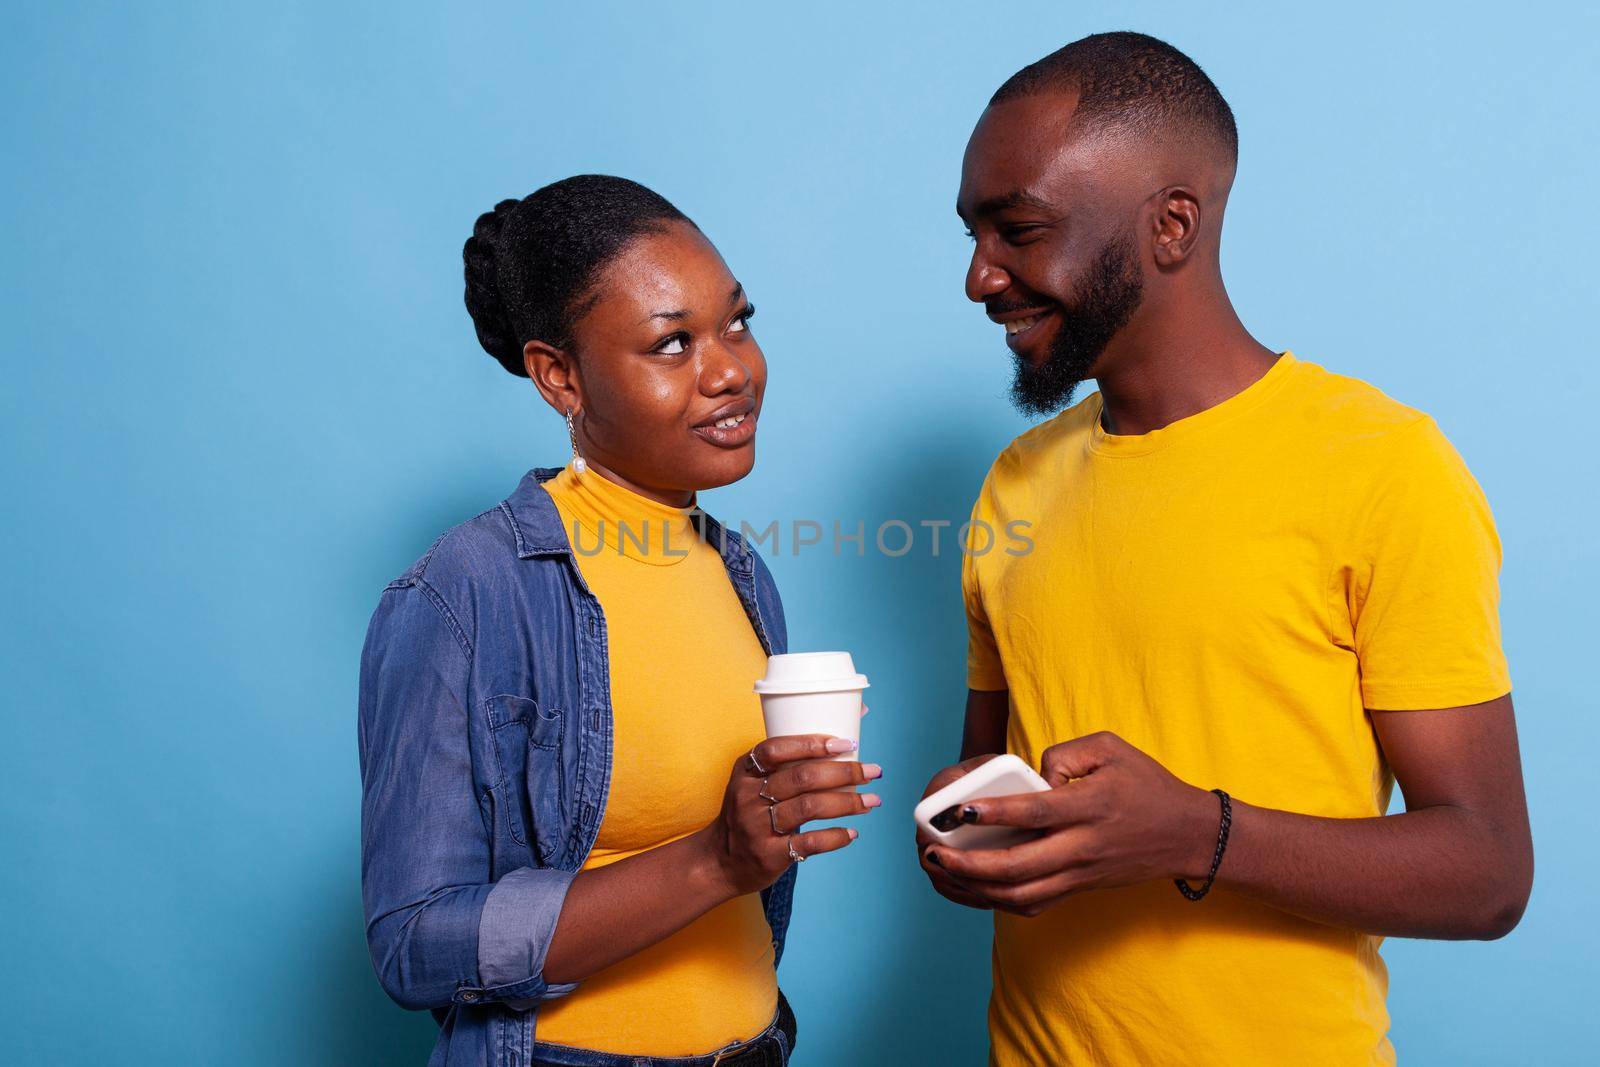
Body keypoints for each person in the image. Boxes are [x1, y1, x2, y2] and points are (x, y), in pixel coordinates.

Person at [917, 32, 1531, 1065]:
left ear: (1171, 225)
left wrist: (1196, 830)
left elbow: (1487, 871)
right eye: (975, 233)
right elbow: (993, 769)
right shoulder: (1015, 482)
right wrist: (964, 828)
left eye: (1018, 229)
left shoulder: (1382, 467)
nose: (981, 276)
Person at [358, 175, 880, 1067]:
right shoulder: (465, 591)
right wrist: (713, 858)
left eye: (738, 322)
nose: (732, 370)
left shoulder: (742, 572)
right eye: (672, 343)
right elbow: (415, 940)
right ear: (559, 375)